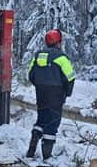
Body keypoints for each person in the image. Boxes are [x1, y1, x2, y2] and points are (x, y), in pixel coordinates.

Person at [26, 29, 76, 159]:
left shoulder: (38, 55)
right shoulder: (61, 57)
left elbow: (31, 74)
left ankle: (31, 149)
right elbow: (70, 77)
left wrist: (40, 85)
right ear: (59, 42)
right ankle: (47, 156)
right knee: (52, 123)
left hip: (41, 94)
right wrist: (67, 93)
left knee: (41, 119)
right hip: (56, 94)